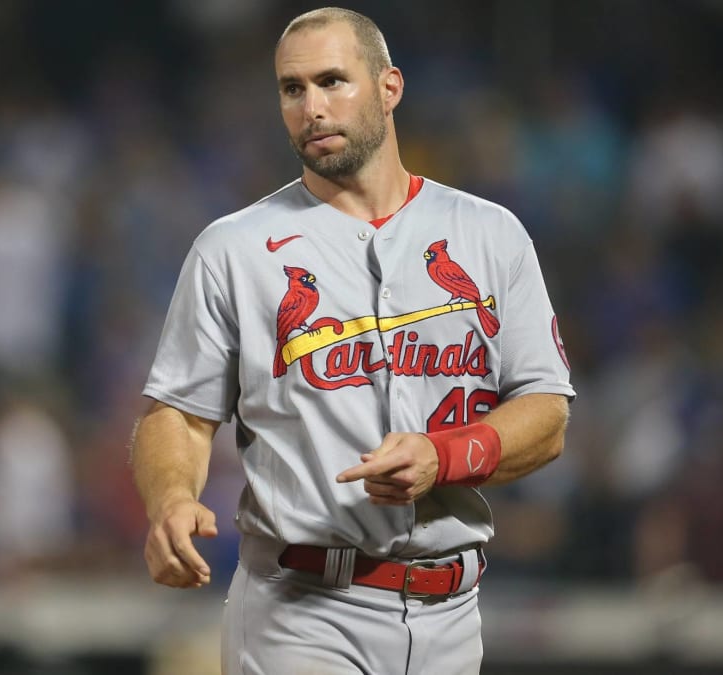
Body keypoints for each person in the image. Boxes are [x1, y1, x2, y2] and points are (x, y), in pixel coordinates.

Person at [131, 7, 574, 674]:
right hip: (300, 609)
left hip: (452, 611)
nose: (313, 106)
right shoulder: (235, 248)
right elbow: (176, 412)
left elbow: (547, 414)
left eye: (333, 81)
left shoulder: (490, 234)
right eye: (293, 88)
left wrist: (443, 455)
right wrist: (169, 498)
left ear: (389, 87)